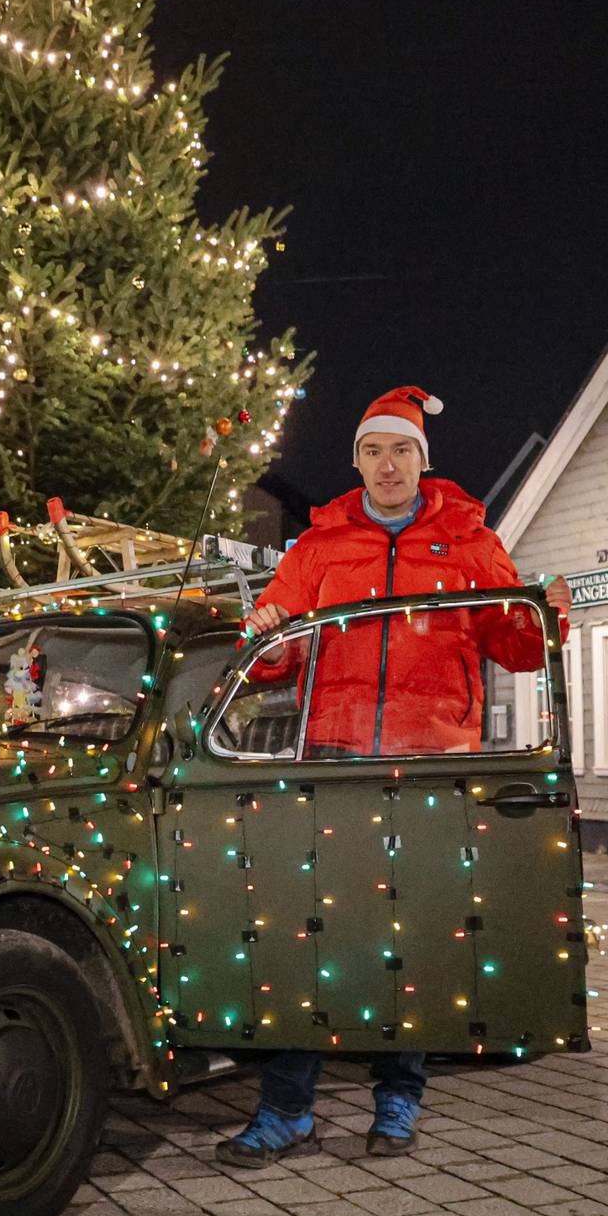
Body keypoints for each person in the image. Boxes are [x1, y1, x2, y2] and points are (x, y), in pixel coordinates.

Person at [216, 384, 571, 1168]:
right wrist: (269, 633)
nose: (388, 464)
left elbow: (516, 646)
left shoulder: (470, 541)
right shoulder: (320, 547)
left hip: (433, 760)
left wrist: (544, 612)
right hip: (335, 761)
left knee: (411, 936)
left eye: (402, 449)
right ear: (356, 461)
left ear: (423, 459)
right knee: (312, 933)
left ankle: (399, 1100)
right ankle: (285, 1110)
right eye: (373, 450)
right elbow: (274, 655)